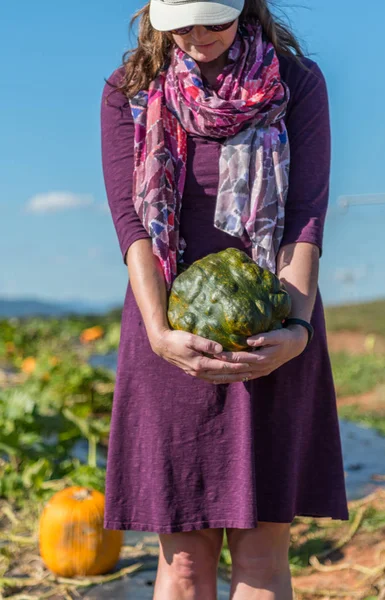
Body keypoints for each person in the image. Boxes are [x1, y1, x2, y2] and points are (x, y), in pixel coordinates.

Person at [100, 0, 350, 597]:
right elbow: (132, 225)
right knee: (184, 562)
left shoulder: (294, 82)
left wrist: (296, 330)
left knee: (262, 558)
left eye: (214, 19)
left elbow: (303, 218)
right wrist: (161, 334)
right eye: (182, 23)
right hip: (169, 330)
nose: (198, 35)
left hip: (272, 320)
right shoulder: (130, 89)